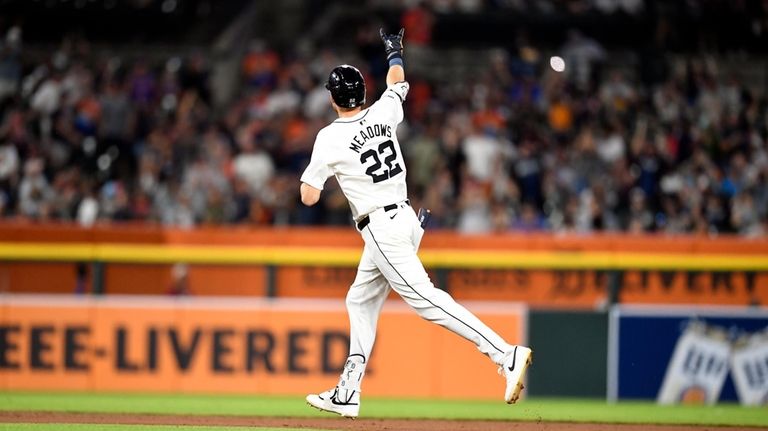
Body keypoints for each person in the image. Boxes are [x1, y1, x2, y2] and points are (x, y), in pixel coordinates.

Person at [300, 28, 533, 418]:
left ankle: (504, 354)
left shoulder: (329, 137)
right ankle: (348, 391)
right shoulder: (383, 111)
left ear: (331, 98)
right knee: (359, 299)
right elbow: (398, 82)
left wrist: (320, 174)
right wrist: (395, 51)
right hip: (405, 217)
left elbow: (309, 195)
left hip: (381, 228)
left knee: (427, 301)